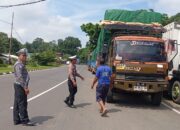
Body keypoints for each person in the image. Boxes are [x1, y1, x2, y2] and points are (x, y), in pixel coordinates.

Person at [13, 48, 35, 126]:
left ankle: (16, 120)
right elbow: (20, 77)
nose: (25, 57)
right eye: (23, 55)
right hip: (20, 86)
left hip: (18, 85)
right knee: (23, 103)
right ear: (19, 56)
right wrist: (25, 87)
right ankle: (25, 120)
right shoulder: (18, 64)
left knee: (17, 103)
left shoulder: (21, 63)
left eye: (26, 55)